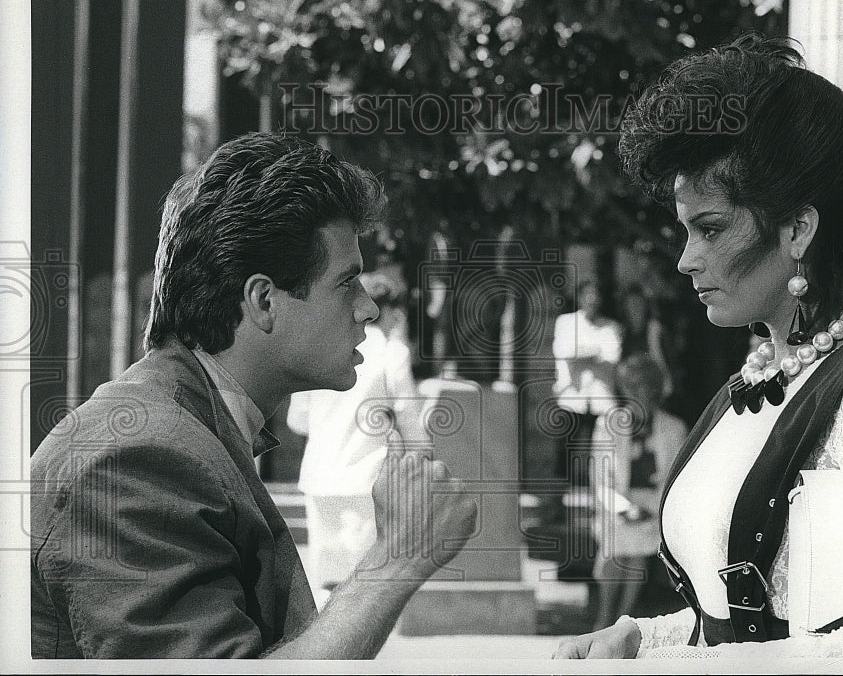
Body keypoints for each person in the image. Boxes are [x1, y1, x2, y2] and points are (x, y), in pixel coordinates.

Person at [554, 35, 843, 659]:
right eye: (685, 231)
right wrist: (643, 638)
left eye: (710, 228)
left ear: (798, 228)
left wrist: (692, 665)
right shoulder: (750, 385)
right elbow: (739, 619)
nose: (687, 260)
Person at [30, 132, 477, 658]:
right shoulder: (134, 458)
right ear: (264, 300)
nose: (368, 308)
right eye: (346, 282)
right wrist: (400, 556)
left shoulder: (185, 428)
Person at [287, 272, 426, 591]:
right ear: (390, 312)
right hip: (367, 480)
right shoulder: (391, 353)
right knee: (366, 586)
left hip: (319, 478)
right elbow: (409, 417)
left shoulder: (315, 350)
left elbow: (298, 419)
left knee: (327, 585)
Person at [590, 353, 688, 630]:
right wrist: (624, 509)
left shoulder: (674, 428)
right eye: (633, 388)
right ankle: (605, 617)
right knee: (616, 544)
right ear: (624, 389)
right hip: (617, 503)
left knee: (638, 546)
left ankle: (622, 618)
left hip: (654, 505)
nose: (639, 395)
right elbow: (600, 480)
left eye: (646, 388)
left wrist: (651, 509)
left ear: (656, 391)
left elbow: (674, 480)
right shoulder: (607, 425)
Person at [552, 278, 623, 487]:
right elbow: (563, 351)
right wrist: (595, 350)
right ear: (580, 297)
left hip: (601, 401)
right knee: (564, 455)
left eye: (596, 295)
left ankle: (597, 502)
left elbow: (612, 356)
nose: (592, 299)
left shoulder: (611, 327)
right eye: (587, 294)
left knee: (600, 456)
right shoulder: (565, 322)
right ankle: (559, 505)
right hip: (571, 399)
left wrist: (581, 351)